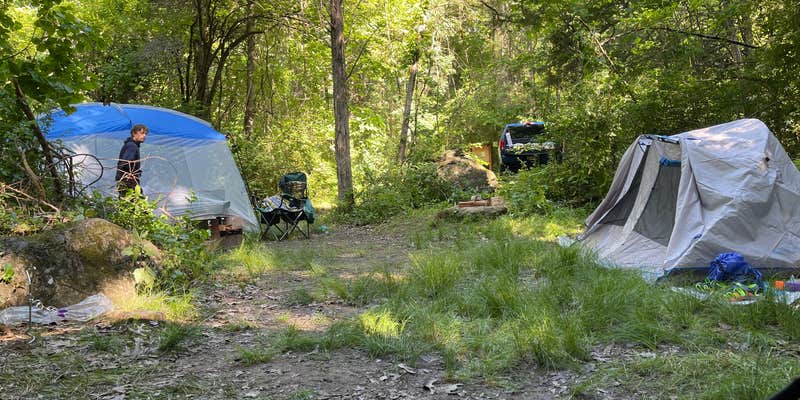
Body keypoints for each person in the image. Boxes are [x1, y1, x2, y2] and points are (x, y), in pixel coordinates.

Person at [115, 124, 148, 198]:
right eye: (142, 133)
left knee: (127, 203)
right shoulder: (132, 146)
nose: (144, 136)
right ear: (134, 133)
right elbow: (126, 162)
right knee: (137, 201)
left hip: (125, 180)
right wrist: (132, 175)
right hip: (128, 180)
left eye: (146, 134)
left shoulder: (131, 145)